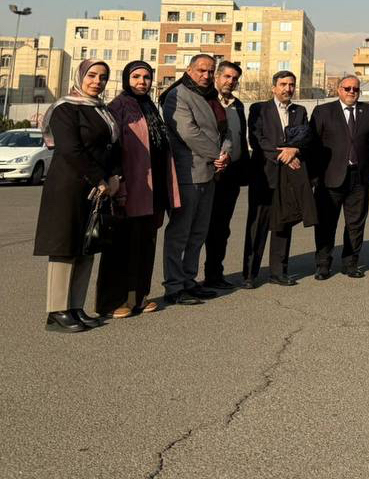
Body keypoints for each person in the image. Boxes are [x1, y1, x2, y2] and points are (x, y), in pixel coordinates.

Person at [33, 59, 122, 333]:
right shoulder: (65, 108)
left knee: (87, 245)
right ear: (80, 76)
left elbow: (112, 147)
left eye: (103, 77)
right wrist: (100, 179)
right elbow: (70, 149)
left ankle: (75, 306)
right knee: (65, 246)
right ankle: (56, 311)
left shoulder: (102, 110)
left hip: (96, 189)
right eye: (92, 75)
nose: (97, 81)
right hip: (69, 186)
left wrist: (115, 176)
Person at [96, 61, 180, 318]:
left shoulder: (150, 107)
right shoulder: (118, 107)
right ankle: (114, 301)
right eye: (136, 77)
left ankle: (139, 297)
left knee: (145, 243)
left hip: (154, 189)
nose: (142, 82)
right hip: (130, 187)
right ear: (126, 79)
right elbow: (112, 149)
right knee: (122, 246)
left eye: (146, 77)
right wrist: (117, 183)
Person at [160, 54, 230, 306]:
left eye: (210, 71)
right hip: (187, 174)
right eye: (201, 70)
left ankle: (189, 281)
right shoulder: (177, 95)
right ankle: (174, 286)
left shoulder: (210, 96)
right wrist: (217, 155)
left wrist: (225, 152)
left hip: (209, 173)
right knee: (180, 233)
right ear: (189, 70)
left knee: (198, 232)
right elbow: (189, 133)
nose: (206, 75)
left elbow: (224, 131)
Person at [246, 71, 316, 286]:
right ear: (274, 87)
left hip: (289, 177)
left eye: (291, 84)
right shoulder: (259, 109)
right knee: (257, 225)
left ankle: (278, 272)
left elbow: (305, 137)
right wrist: (283, 156)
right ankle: (249, 275)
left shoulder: (299, 111)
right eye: (283, 84)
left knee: (283, 222)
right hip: (264, 174)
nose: (288, 88)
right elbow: (257, 139)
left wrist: (294, 150)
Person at [310, 75, 369, 279]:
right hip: (329, 178)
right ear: (339, 90)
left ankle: (350, 263)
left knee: (356, 223)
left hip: (359, 177)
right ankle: (323, 264)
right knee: (326, 223)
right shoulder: (323, 111)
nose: (351, 92)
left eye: (355, 89)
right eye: (347, 88)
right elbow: (312, 145)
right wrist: (314, 176)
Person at [202, 61, 247, 290]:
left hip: (231, 176)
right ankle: (185, 279)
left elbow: (241, 138)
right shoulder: (205, 101)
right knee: (201, 227)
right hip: (208, 173)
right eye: (227, 76)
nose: (231, 81)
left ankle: (214, 274)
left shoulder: (237, 105)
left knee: (221, 229)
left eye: (235, 78)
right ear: (217, 77)